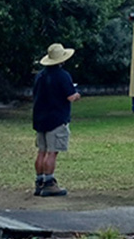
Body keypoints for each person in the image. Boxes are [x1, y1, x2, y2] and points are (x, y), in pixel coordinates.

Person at [32, 43, 81, 197]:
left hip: (40, 118)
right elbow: (70, 96)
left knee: (42, 151)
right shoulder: (62, 75)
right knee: (52, 152)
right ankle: (49, 183)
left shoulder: (40, 76)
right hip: (57, 118)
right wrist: (78, 94)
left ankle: (39, 181)